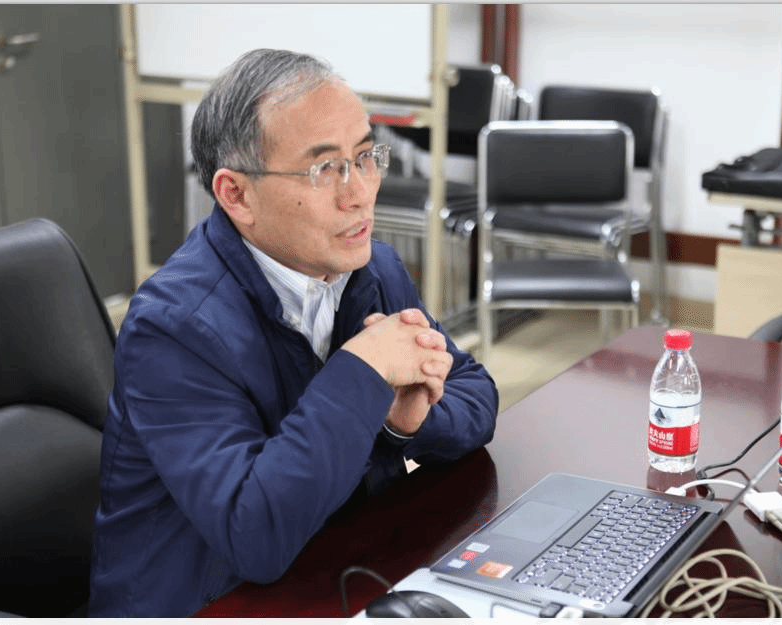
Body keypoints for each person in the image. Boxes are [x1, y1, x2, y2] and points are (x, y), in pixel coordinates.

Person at [88, 48, 499, 617]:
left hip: (334, 569)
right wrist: (364, 372)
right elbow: (254, 533)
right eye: (324, 168)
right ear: (236, 194)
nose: (359, 192)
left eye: (366, 156)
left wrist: (405, 423)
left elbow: (475, 394)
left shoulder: (373, 270)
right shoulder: (173, 327)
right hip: (204, 604)